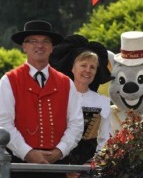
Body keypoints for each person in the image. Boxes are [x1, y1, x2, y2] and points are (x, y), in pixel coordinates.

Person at [0, 20, 84, 178]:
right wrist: (27, 152)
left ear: (52, 48)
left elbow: (76, 123)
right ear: (24, 46)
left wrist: (60, 151)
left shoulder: (66, 82)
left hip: (57, 166)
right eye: (33, 41)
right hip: (19, 165)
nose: (40, 46)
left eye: (45, 41)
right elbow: (3, 123)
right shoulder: (8, 81)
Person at [49, 34, 113, 177]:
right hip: (56, 164)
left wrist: (89, 165)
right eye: (83, 65)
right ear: (73, 68)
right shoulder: (56, 97)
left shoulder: (102, 102)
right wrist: (64, 167)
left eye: (92, 67)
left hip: (88, 169)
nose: (88, 70)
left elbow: (105, 139)